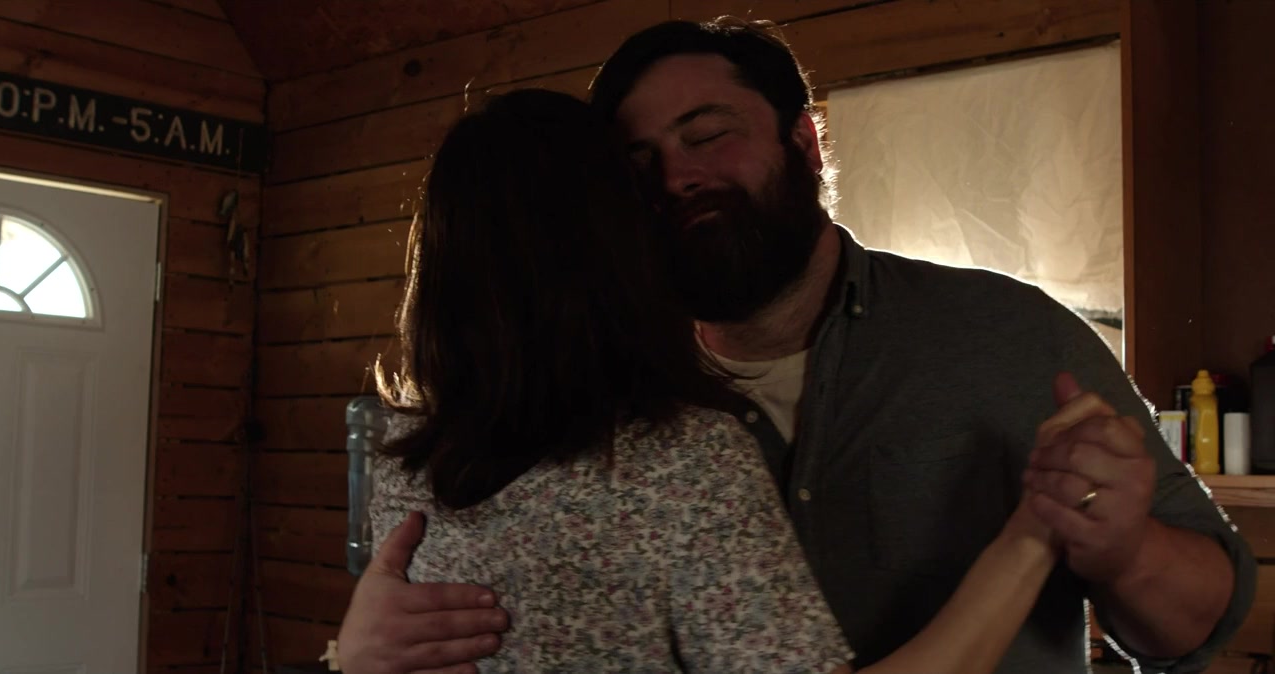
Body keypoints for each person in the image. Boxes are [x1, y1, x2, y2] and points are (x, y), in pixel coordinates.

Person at [339, 17, 1257, 674]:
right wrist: (354, 653)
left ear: (805, 143)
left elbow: (1203, 622)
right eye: (638, 165)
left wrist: (1122, 548)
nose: (677, 178)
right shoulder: (611, 415)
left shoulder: (1009, 334)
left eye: (709, 136)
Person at [354, 86, 1066, 673]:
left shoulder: (406, 467)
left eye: (706, 137)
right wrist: (1029, 539)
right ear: (617, 243)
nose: (677, 188)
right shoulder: (680, 465)